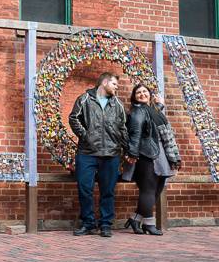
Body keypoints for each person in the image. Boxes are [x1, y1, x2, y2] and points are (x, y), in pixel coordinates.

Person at [68, 72, 128, 238]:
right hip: (87, 152)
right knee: (84, 188)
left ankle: (106, 225)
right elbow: (73, 118)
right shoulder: (85, 99)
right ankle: (88, 223)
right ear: (105, 82)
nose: (117, 88)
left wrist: (127, 149)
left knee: (108, 191)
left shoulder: (118, 104)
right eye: (115, 84)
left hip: (111, 153)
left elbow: (123, 128)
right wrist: (85, 135)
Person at [122, 84, 181, 235]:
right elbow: (135, 134)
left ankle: (135, 219)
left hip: (159, 153)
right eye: (138, 92)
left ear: (150, 94)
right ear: (134, 97)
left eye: (145, 91)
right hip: (146, 154)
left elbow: (154, 122)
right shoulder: (138, 111)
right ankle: (148, 223)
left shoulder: (152, 110)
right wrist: (133, 154)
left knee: (157, 189)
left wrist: (159, 104)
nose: (142, 94)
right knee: (148, 190)